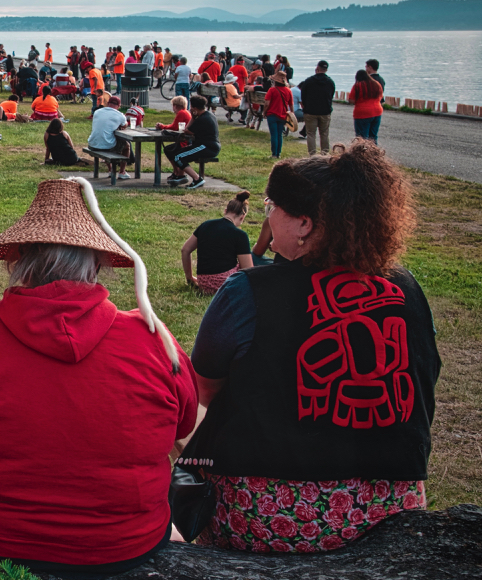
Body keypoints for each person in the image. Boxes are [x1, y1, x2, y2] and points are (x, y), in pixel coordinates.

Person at [0, 178, 195, 579]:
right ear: (97, 263)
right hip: (122, 545)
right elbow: (182, 425)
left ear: (17, 260)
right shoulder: (154, 341)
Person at [182, 144, 438, 553]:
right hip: (391, 505)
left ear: (304, 223)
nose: (267, 215)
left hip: (272, 511)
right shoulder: (406, 287)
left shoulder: (247, 291)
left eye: (272, 207)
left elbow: (203, 390)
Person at [181, 191, 254, 295]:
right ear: (242, 217)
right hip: (226, 284)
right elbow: (248, 269)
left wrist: (190, 278)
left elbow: (185, 250)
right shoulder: (239, 235)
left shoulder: (205, 225)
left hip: (203, 283)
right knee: (254, 259)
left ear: (225, 211)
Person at [165, 95, 219, 189]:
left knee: (179, 157)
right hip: (207, 145)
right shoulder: (209, 115)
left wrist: (193, 118)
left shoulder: (202, 119)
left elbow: (187, 130)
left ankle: (197, 179)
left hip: (207, 147)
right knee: (175, 151)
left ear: (194, 108)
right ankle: (180, 175)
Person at [88, 95, 134, 177]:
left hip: (92, 144)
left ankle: (110, 170)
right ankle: (122, 172)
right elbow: (124, 125)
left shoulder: (97, 112)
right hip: (106, 146)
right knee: (126, 145)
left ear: (108, 103)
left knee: (105, 141)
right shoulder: (120, 115)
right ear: (119, 106)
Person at [298, 61, 335, 155]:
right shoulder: (330, 82)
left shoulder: (309, 81)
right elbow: (331, 96)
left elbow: (303, 95)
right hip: (325, 111)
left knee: (311, 134)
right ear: (326, 69)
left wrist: (305, 106)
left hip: (310, 111)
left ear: (317, 68)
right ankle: (325, 154)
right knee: (324, 133)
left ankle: (312, 154)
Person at [263, 72, 294, 159]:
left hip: (272, 114)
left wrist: (264, 112)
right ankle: (278, 153)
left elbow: (267, 103)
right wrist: (292, 115)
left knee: (274, 134)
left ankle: (274, 154)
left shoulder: (272, 90)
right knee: (279, 134)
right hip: (283, 115)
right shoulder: (288, 91)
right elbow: (291, 104)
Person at [349, 69, 384, 143]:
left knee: (362, 138)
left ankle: (363, 153)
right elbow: (380, 97)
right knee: (373, 136)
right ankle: (374, 152)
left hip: (362, 113)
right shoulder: (376, 84)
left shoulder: (357, 86)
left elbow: (351, 100)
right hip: (377, 111)